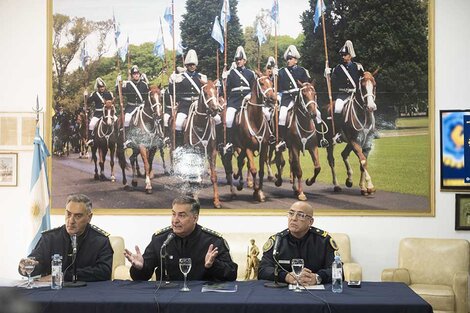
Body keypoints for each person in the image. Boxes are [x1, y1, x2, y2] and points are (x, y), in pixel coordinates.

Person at [124, 196, 238, 281]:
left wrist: (213, 265)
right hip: (166, 300)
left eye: (181, 215)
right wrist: (140, 267)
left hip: (201, 300)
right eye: (174, 214)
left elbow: (232, 274)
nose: (175, 220)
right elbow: (141, 277)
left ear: (195, 218)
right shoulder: (160, 240)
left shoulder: (212, 242)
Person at [18, 194, 113, 282]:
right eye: (68, 214)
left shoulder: (101, 240)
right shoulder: (50, 238)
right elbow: (36, 263)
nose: (71, 221)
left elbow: (104, 272)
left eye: (78, 216)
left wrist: (63, 276)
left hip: (88, 292)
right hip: (53, 292)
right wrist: (26, 267)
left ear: (89, 217)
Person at [258, 201, 338, 285]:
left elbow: (337, 270)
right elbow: (263, 270)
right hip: (284, 292)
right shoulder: (277, 241)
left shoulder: (323, 241)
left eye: (300, 215)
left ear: (310, 222)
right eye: (291, 213)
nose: (293, 218)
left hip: (316, 291)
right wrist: (286, 276)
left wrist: (318, 277)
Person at [326, 40, 365, 145]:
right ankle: (338, 133)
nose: (343, 57)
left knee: (367, 105)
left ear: (350, 55)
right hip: (343, 95)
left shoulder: (358, 67)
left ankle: (369, 128)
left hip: (355, 94)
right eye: (342, 55)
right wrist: (327, 75)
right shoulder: (337, 68)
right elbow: (332, 83)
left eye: (345, 55)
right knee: (338, 108)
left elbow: (364, 79)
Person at [220, 46, 256, 155]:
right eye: (237, 60)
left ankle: (264, 138)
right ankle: (230, 143)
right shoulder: (230, 73)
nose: (238, 61)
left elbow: (254, 88)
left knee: (262, 114)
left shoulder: (250, 73)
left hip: (247, 101)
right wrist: (224, 80)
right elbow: (225, 90)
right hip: (234, 101)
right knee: (229, 118)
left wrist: (250, 96)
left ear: (245, 61)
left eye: (240, 59)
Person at [276, 45, 312, 152]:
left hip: (300, 97)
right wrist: (274, 76)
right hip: (286, 98)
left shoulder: (302, 71)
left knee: (316, 113)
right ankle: (282, 140)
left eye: (290, 59)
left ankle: (320, 138)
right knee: (282, 116)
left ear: (296, 60)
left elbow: (306, 85)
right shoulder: (281, 72)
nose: (288, 61)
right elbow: (277, 88)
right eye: (287, 59)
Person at [168, 49, 208, 147]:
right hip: (185, 106)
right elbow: (172, 92)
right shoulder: (180, 77)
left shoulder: (202, 77)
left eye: (193, 64)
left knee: (216, 119)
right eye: (189, 64)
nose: (191, 66)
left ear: (196, 65)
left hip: (199, 106)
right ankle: (179, 146)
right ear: (186, 65)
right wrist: (171, 82)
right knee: (178, 124)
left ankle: (217, 143)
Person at [116, 65, 149, 147]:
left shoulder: (144, 84)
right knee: (127, 119)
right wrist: (117, 83)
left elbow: (148, 95)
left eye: (137, 73)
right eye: (134, 74)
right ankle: (127, 139)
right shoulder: (127, 85)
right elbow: (118, 92)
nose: (136, 75)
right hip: (131, 107)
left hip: (142, 106)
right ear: (131, 75)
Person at [84, 77, 114, 146]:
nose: (102, 88)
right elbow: (88, 102)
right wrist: (86, 96)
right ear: (98, 88)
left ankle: (116, 137)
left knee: (115, 121)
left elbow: (112, 102)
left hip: (107, 113)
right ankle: (90, 139)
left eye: (103, 87)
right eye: (100, 87)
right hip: (98, 113)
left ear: (104, 87)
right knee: (91, 124)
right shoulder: (95, 94)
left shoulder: (108, 94)